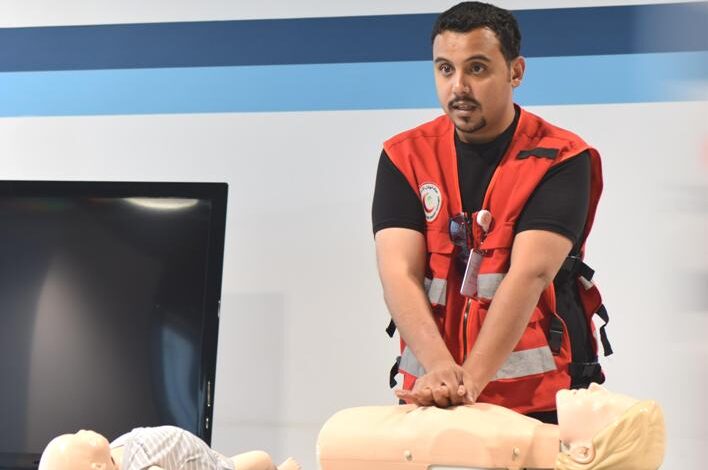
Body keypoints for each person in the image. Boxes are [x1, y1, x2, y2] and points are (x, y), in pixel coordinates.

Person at [372, 1, 611, 422]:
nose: (458, 86)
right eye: (445, 69)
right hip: (433, 393)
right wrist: (440, 371)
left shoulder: (562, 158)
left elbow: (529, 276)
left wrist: (468, 384)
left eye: (477, 68)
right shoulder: (403, 156)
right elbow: (399, 274)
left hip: (542, 402)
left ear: (515, 72)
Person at [317, 384, 665, 470]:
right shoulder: (515, 436)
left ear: (586, 452)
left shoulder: (501, 449)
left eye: (603, 405)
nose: (596, 389)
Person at [38, 426, 301, 470]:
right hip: (209, 466)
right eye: (79, 441)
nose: (81, 432)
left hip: (203, 456)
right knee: (261, 459)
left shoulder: (114, 454)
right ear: (97, 467)